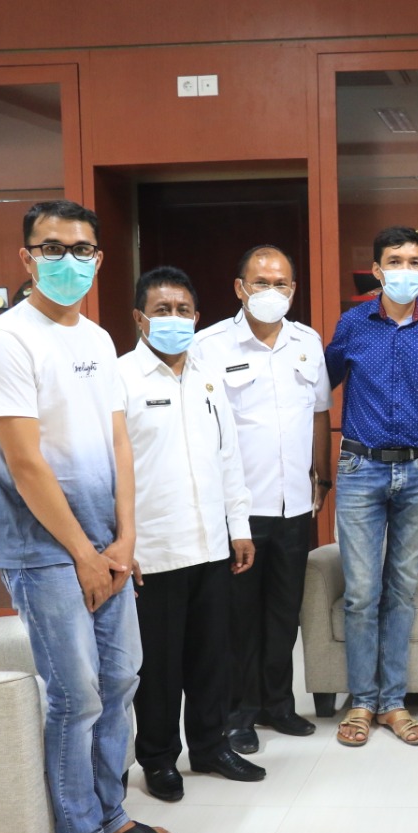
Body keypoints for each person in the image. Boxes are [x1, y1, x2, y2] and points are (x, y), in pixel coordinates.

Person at [0, 200, 178, 833]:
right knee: (75, 693)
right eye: (52, 248)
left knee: (120, 680)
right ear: (27, 258)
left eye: (81, 249)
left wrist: (126, 538)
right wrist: (84, 551)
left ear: (99, 259)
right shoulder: (3, 342)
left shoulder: (97, 339)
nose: (68, 261)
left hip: (106, 543)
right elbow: (25, 463)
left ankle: (112, 813)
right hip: (44, 549)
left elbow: (119, 442)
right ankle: (80, 832)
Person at [119, 266, 266, 801]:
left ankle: (209, 746)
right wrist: (122, 542)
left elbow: (228, 457)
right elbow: (108, 470)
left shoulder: (208, 377)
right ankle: (159, 759)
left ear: (198, 317)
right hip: (153, 549)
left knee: (212, 657)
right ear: (140, 319)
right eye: (162, 310)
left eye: (183, 310)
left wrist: (239, 526)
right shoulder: (120, 379)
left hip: (211, 544)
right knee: (158, 666)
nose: (174, 319)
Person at [324, 225, 418, 747]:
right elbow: (323, 385)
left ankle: (393, 703)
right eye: (395, 261)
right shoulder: (352, 323)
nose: (406, 270)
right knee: (362, 592)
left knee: (402, 589)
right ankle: (362, 701)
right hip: (361, 469)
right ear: (377, 271)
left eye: (415, 261)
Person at [192, 245, 332, 754]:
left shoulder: (306, 342)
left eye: (281, 284)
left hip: (294, 503)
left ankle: (278, 703)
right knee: (239, 616)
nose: (272, 292)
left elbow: (319, 412)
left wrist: (322, 476)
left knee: (284, 610)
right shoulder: (209, 346)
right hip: (241, 510)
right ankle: (239, 714)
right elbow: (201, 429)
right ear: (240, 288)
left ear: (293, 290)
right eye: (261, 282)